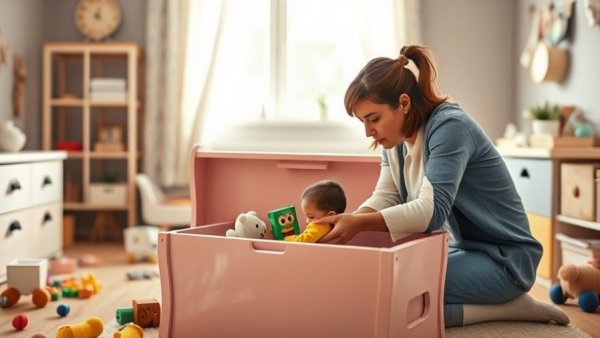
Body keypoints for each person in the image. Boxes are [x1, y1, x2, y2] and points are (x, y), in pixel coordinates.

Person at [315, 45, 569, 327]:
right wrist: (343, 224)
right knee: (382, 298)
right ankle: (499, 303)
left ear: (404, 103)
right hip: (466, 249)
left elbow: (430, 212)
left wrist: (357, 224)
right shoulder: (395, 139)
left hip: (508, 261)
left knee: (396, 301)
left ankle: (512, 308)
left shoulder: (450, 127)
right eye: (363, 122)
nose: (368, 131)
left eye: (373, 119)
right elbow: (385, 196)